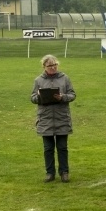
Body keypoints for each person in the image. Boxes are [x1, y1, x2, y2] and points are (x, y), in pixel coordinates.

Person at [30, 54, 76, 183]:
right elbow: (32, 98)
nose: (53, 67)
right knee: (48, 148)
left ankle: (64, 172)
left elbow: (72, 94)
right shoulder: (38, 80)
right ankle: (50, 173)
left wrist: (62, 97)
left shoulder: (65, 78)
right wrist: (39, 97)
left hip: (62, 117)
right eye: (50, 65)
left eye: (55, 65)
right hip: (45, 118)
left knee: (62, 147)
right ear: (44, 66)